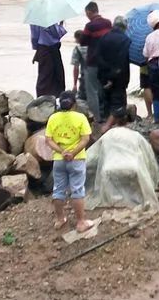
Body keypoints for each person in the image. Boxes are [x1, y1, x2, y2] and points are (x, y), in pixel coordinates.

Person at [45, 91, 94, 233]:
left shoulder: (53, 118)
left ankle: (60, 219)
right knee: (77, 189)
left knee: (58, 190)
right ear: (74, 104)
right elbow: (86, 139)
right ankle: (81, 222)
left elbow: (48, 140)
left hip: (59, 160)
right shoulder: (80, 117)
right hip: (77, 159)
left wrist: (62, 152)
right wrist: (72, 152)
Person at [97, 16, 131, 133]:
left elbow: (99, 58)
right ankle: (106, 129)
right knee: (118, 104)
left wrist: (105, 77)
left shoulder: (103, 38)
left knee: (107, 104)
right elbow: (122, 61)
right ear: (124, 27)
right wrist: (112, 77)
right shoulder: (125, 40)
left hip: (103, 78)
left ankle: (110, 127)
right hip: (118, 79)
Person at [80, 2, 112, 123]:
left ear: (89, 12)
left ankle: (97, 119)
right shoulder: (108, 23)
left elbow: (83, 41)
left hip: (93, 61)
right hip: (107, 61)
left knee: (92, 90)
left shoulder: (90, 26)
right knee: (103, 88)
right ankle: (107, 115)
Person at [30, 22, 67, 98]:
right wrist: (61, 25)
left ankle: (41, 97)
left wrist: (37, 49)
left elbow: (34, 37)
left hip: (42, 48)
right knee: (57, 75)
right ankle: (57, 97)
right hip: (52, 48)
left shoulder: (34, 19)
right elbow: (56, 33)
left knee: (44, 75)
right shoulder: (50, 19)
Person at [70, 30, 88, 100]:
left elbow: (76, 68)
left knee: (82, 99)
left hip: (85, 78)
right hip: (98, 77)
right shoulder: (95, 45)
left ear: (77, 38)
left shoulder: (77, 49)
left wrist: (75, 84)